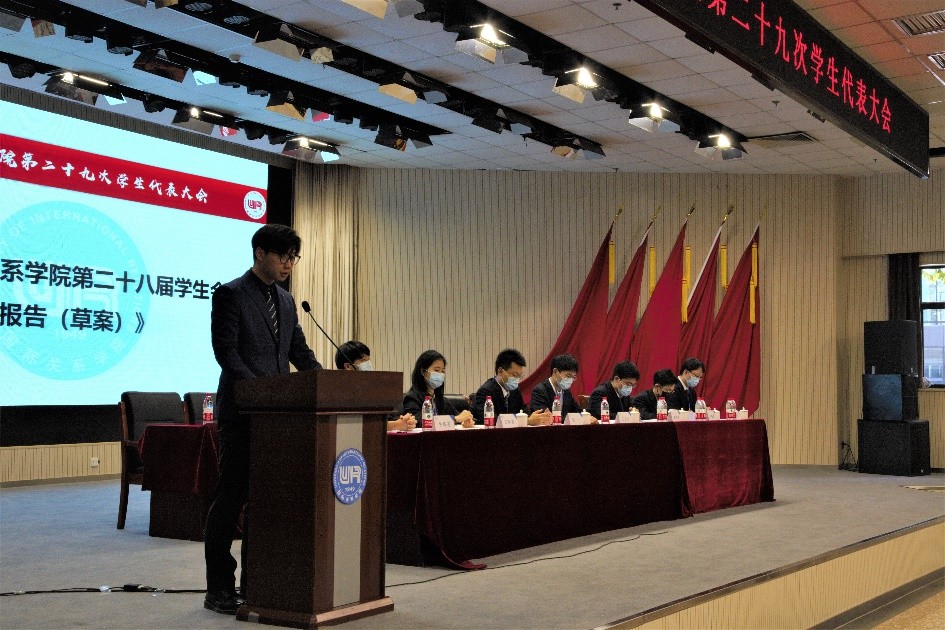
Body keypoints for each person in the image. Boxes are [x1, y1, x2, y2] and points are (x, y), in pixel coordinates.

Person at [204, 224, 322, 615]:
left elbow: (299, 353)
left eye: (293, 257)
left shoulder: (286, 301)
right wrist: (262, 392)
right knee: (231, 498)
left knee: (267, 501)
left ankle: (256, 582)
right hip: (242, 414)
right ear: (260, 253)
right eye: (283, 256)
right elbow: (227, 353)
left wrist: (327, 383)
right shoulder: (230, 294)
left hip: (279, 420)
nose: (289, 264)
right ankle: (219, 588)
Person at [336, 340, 416, 431]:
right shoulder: (339, 394)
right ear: (347, 366)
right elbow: (356, 425)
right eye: (363, 360)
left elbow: (388, 417)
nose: (368, 364)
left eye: (368, 360)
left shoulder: (373, 390)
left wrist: (406, 421)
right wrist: (396, 425)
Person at [472, 349, 552, 426]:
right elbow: (492, 420)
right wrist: (526, 421)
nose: (517, 379)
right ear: (500, 371)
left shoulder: (515, 391)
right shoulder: (485, 391)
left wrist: (539, 417)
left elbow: (524, 412)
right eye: (514, 375)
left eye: (519, 376)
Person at [401, 350, 474, 428]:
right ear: (423, 372)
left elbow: (459, 417)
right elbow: (417, 422)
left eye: (443, 371)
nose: (440, 374)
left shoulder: (442, 401)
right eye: (436, 370)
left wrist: (465, 421)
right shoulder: (412, 398)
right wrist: (455, 419)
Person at [529, 354, 589, 422]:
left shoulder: (566, 391)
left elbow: (576, 411)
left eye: (573, 377)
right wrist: (575, 419)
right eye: (568, 376)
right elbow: (544, 418)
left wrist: (586, 417)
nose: (571, 380)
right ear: (555, 371)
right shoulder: (540, 391)